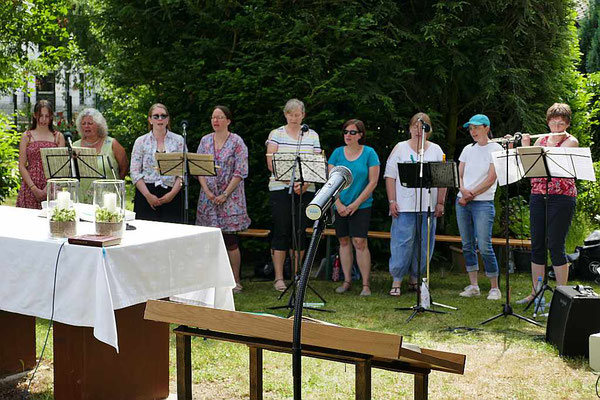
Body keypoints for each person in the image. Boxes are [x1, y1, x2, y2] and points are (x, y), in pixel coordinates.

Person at [516, 103, 578, 304]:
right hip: (538, 195)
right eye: (554, 122)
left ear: (567, 124)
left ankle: (562, 296)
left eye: (561, 123)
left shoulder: (571, 141)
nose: (557, 126)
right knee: (537, 245)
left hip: (562, 197)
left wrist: (532, 145)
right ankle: (536, 291)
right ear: (548, 121)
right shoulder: (542, 139)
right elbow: (527, 164)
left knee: (556, 245)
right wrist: (523, 146)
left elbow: (552, 157)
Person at [385, 113, 446, 296]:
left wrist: (440, 202)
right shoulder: (400, 148)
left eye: (423, 127)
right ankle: (397, 280)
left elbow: (443, 179)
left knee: (424, 245)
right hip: (404, 207)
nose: (419, 131)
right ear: (410, 128)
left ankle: (415, 278)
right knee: (401, 243)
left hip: (428, 206)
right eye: (415, 126)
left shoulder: (436, 150)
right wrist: (392, 201)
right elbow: (390, 176)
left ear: (429, 130)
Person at [266, 99, 321, 291]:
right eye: (291, 114)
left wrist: (305, 184)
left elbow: (316, 162)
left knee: (300, 231)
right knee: (281, 231)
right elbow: (271, 163)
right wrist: (288, 181)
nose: (294, 118)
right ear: (285, 115)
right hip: (280, 189)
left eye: (298, 114)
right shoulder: (276, 134)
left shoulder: (312, 135)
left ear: (303, 115)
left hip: (306, 189)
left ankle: (298, 275)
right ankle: (279, 278)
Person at [196, 106, 251, 294]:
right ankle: (210, 279)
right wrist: (207, 191)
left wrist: (225, 194)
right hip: (208, 198)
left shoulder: (237, 142)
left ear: (228, 120)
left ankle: (235, 280)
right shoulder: (205, 141)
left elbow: (240, 171)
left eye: (220, 117)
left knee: (230, 240)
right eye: (213, 117)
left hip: (231, 198)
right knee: (209, 239)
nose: (216, 120)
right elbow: (198, 168)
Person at [329, 119, 379, 296]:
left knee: (360, 242)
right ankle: (347, 280)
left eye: (352, 132)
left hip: (362, 205)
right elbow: (330, 182)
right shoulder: (336, 154)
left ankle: (366, 285)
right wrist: (338, 204)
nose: (348, 135)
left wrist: (356, 204)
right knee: (343, 241)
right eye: (345, 132)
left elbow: (373, 182)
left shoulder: (369, 153)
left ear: (360, 135)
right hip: (339, 205)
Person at [456, 114, 503, 300]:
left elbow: (491, 178)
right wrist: (463, 191)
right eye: (470, 128)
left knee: (484, 245)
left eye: (476, 127)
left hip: (482, 202)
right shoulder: (468, 149)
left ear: (486, 128)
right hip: (462, 201)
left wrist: (471, 194)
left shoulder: (496, 148)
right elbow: (458, 174)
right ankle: (473, 285)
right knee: (467, 244)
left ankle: (494, 287)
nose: (473, 131)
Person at [130, 103, 185, 223]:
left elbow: (183, 172)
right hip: (146, 192)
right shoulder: (140, 141)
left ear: (168, 119)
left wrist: (172, 194)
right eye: (156, 116)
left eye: (163, 116)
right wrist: (148, 196)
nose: (160, 119)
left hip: (172, 193)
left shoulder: (179, 140)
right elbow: (134, 172)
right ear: (150, 119)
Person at [16, 100, 65, 209]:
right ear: (34, 115)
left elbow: (60, 166)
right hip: (30, 186)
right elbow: (21, 165)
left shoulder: (58, 137)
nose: (43, 119)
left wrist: (48, 188)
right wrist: (34, 188)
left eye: (47, 116)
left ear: (51, 116)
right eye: (40, 116)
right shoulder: (26, 136)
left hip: (52, 186)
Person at [73, 108, 128, 203]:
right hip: (82, 199)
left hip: (108, 199)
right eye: (83, 123)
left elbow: (124, 167)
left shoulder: (112, 143)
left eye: (90, 123)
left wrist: (115, 185)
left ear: (99, 125)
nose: (86, 126)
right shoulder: (74, 146)